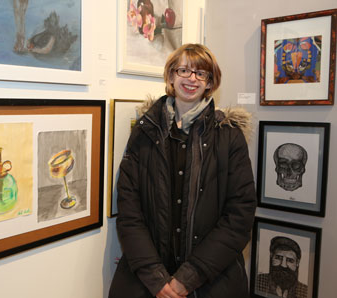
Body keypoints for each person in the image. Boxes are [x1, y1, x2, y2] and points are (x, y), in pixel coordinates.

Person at [109, 43, 257, 298]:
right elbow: (129, 210)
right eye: (184, 70)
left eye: (201, 73)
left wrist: (186, 280)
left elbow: (239, 215)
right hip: (148, 278)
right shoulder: (144, 132)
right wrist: (156, 279)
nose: (192, 79)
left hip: (211, 276)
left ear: (210, 83)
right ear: (170, 76)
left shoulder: (229, 137)